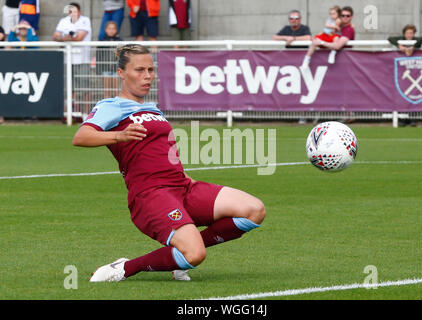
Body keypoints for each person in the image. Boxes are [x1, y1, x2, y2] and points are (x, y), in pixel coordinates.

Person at [73, 44, 266, 282]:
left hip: (182, 186)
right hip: (151, 194)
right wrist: (119, 136)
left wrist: (184, 176)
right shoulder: (111, 106)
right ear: (121, 73)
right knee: (195, 254)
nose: (147, 76)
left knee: (254, 210)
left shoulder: (152, 108)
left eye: (151, 70)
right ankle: (124, 268)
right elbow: (81, 137)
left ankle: (176, 256)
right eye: (140, 70)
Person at [52, 3, 92, 116]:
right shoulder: (63, 21)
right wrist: (65, 38)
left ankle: (87, 114)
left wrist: (66, 38)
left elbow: (80, 37)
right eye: (71, 11)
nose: (73, 14)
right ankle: (70, 114)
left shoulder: (85, 20)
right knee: (68, 88)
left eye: (75, 11)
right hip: (67, 59)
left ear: (79, 12)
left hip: (82, 59)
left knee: (85, 88)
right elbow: (55, 36)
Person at [97, 21, 123, 99]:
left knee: (117, 91)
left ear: (116, 30)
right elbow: (99, 57)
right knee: (107, 92)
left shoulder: (120, 41)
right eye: (109, 28)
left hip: (117, 69)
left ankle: (117, 109)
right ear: (105, 30)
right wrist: (99, 70)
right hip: (105, 69)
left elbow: (122, 56)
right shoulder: (102, 42)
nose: (111, 30)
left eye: (113, 28)